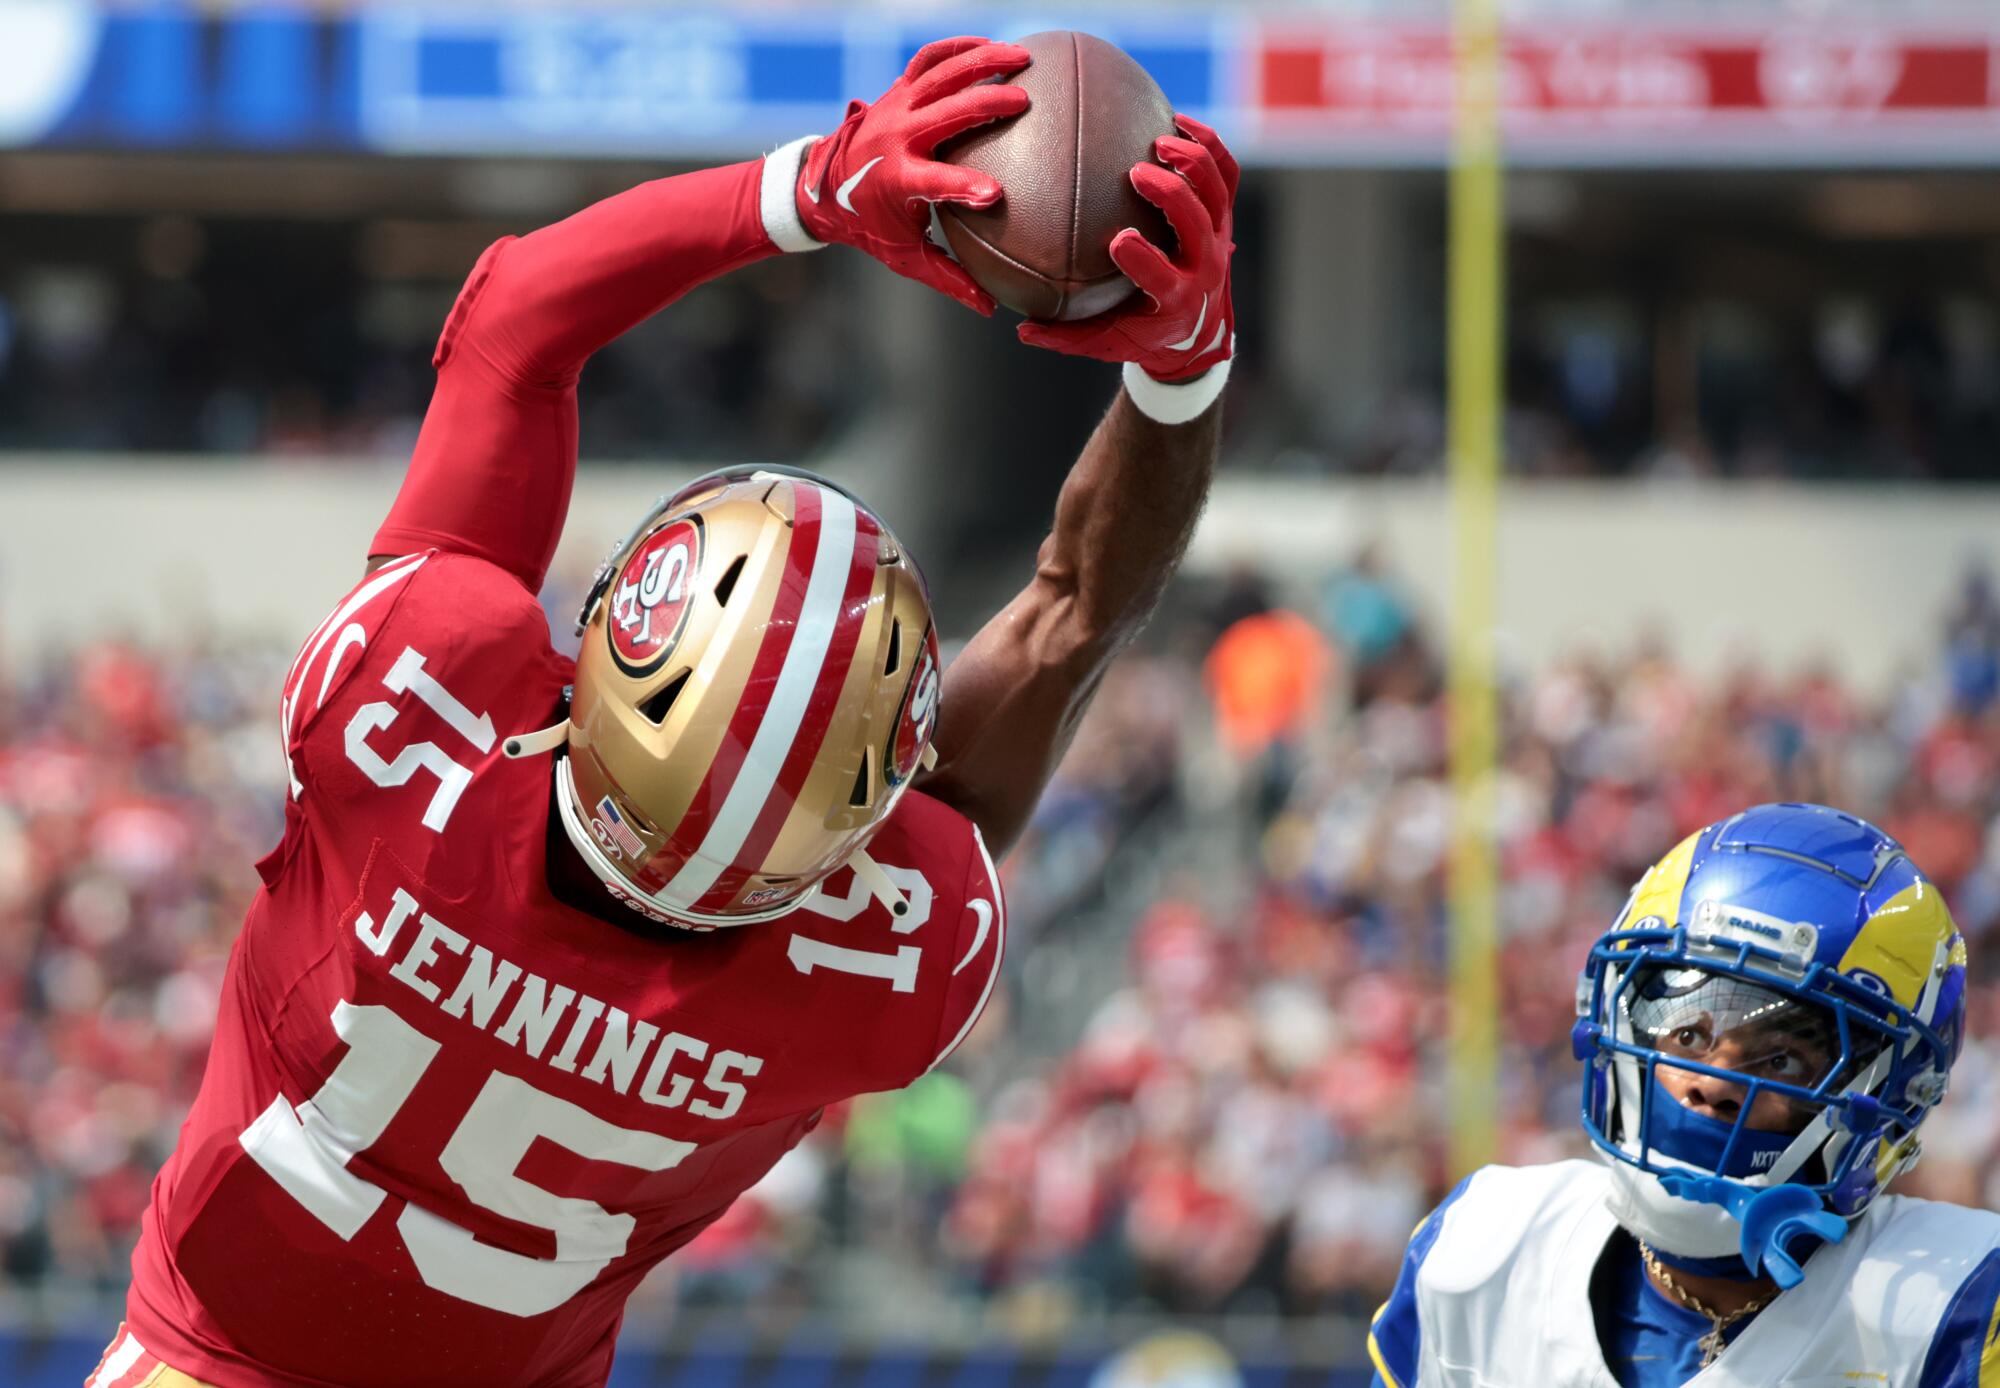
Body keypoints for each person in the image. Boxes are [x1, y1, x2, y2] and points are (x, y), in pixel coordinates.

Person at [86, 36, 1240, 1388]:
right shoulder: (870, 975)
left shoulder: (417, 720)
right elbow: (1070, 617)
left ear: (600, 668)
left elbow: (517, 317)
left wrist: (813, 187)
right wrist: (1186, 372)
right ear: (857, 827)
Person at [1368, 802, 2000, 1388]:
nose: (1713, 1081)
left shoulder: (1953, 1307)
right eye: (1688, 1033)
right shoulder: (1482, 1254)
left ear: (1894, 1094)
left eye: (1782, 1058)